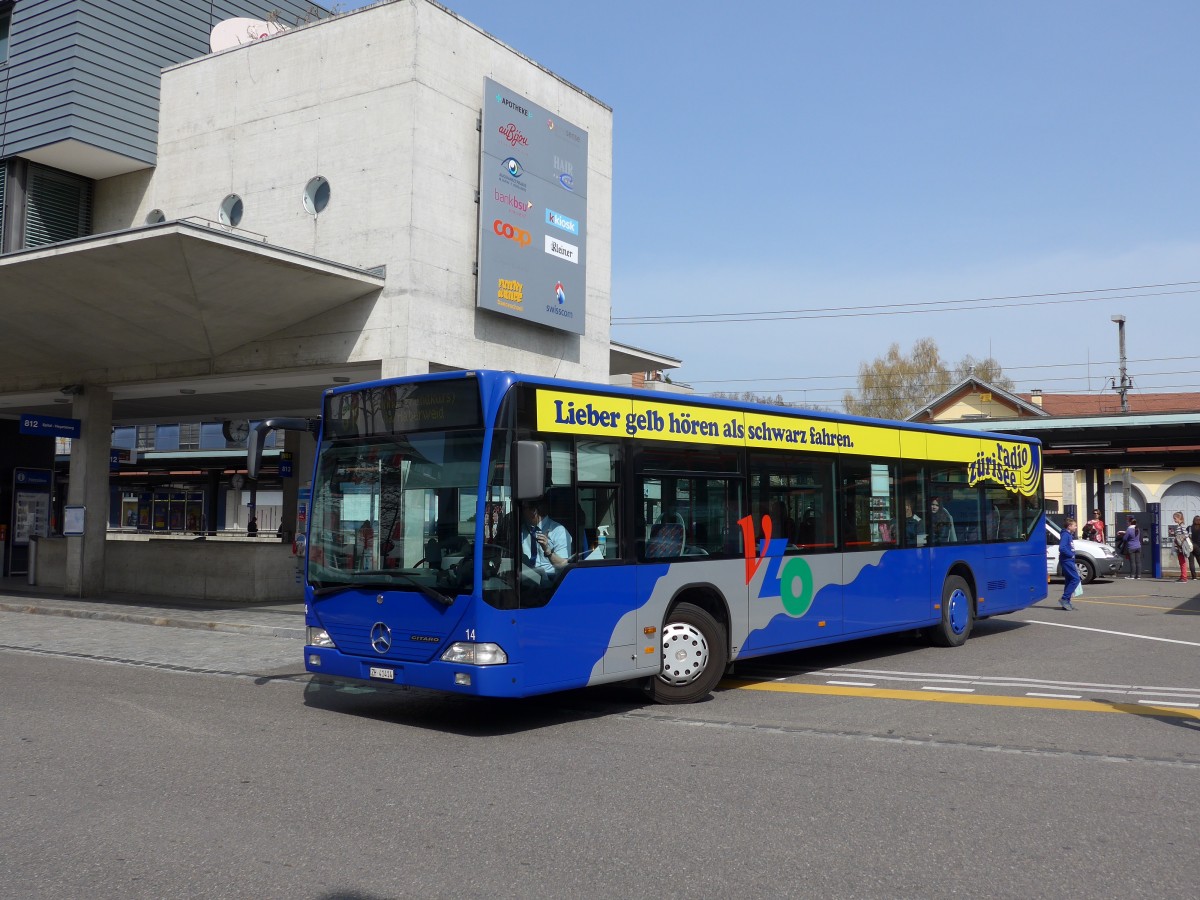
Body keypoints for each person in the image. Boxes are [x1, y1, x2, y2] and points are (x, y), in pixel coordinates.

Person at [520, 500, 572, 579]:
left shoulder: (558, 531)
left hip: (550, 580)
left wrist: (547, 550)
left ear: (534, 511)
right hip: (526, 577)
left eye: (523, 508)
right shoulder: (521, 530)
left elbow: (563, 566)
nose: (521, 512)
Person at [1058, 516, 1080, 610]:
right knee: (1075, 579)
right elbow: (1062, 548)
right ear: (1069, 526)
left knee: (1069, 580)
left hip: (1069, 560)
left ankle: (1067, 601)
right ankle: (1064, 599)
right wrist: (1071, 554)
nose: (1076, 527)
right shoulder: (1065, 535)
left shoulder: (1068, 535)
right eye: (1075, 525)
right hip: (1067, 560)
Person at [1170, 511, 1191, 583]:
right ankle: (1182, 576)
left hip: (1181, 546)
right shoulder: (1179, 526)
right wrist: (1174, 534)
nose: (1174, 520)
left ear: (1179, 518)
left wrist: (1179, 539)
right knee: (1181, 561)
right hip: (1179, 546)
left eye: (1175, 518)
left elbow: (1186, 535)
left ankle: (1184, 577)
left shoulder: (1182, 526)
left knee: (1182, 562)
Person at [1122, 515, 1141, 580]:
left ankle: (1132, 575)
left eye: (1128, 522)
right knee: (1138, 562)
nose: (1127, 523)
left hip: (1131, 547)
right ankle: (1138, 575)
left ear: (1130, 523)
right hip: (1138, 546)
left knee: (1132, 562)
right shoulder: (1137, 529)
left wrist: (1123, 534)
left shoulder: (1129, 529)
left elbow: (1125, 538)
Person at [1189, 515, 1200, 581]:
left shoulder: (1189, 528)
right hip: (1198, 546)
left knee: (1191, 562)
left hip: (1190, 546)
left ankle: (1194, 577)